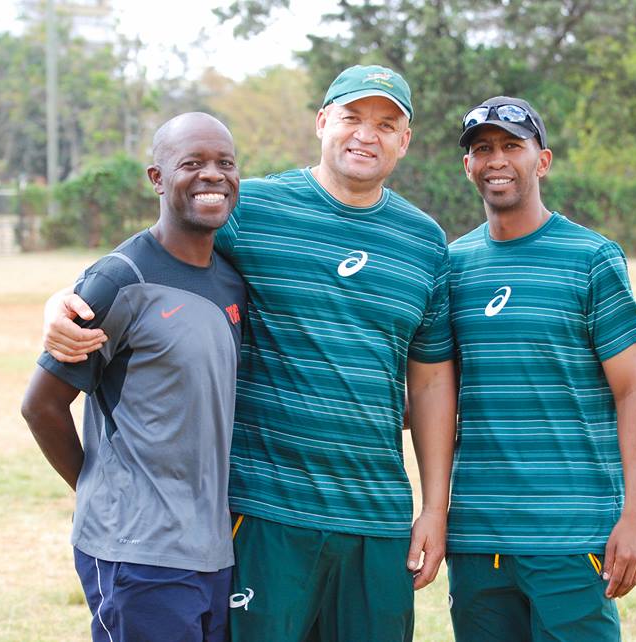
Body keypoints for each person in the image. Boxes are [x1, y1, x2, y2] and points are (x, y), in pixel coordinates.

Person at [41, 65, 457, 642]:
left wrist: (434, 509)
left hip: (376, 515)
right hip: (263, 512)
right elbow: (155, 256)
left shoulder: (425, 241)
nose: (368, 134)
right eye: (352, 118)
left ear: (405, 141)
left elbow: (432, 381)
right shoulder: (251, 209)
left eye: (387, 124)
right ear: (322, 123)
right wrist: (61, 301)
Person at [21, 112, 246, 642]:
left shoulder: (232, 280)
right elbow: (41, 406)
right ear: (157, 178)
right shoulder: (119, 278)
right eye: (191, 163)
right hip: (137, 552)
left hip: (213, 548)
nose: (212, 175)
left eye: (225, 163)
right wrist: (99, 491)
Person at [445, 96, 636, 641]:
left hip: (571, 534)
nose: (496, 160)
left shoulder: (592, 258)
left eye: (512, 146)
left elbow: (632, 392)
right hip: (476, 538)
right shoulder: (451, 266)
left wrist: (635, 517)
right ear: (467, 166)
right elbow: (434, 396)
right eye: (482, 149)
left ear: (543, 160)